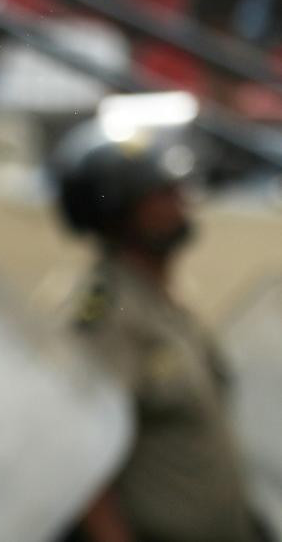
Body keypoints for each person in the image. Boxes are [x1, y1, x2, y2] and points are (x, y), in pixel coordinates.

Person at [53, 124, 268, 542]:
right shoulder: (106, 315)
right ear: (119, 213)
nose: (181, 203)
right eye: (162, 194)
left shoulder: (162, 301)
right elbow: (78, 455)